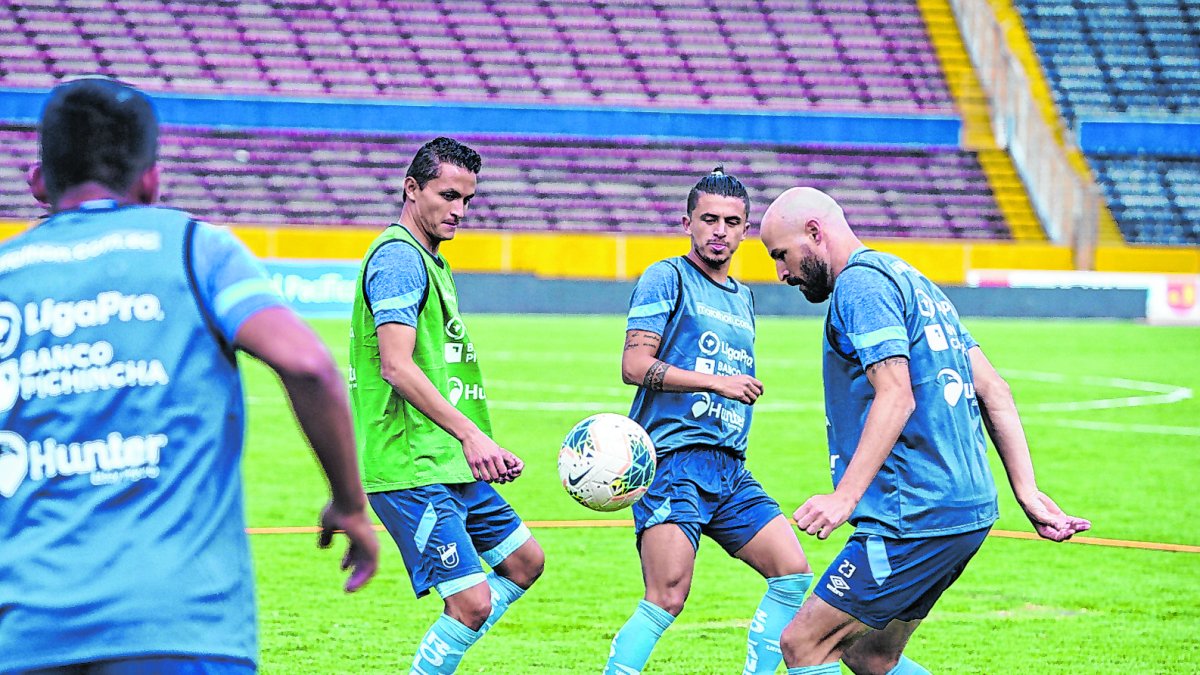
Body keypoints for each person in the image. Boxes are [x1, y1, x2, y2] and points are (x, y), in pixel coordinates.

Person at [0, 77, 379, 674]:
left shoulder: (7, 273)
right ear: (151, 180)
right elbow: (307, 365)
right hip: (180, 624)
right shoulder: (196, 250)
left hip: (27, 633)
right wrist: (350, 505)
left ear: (39, 181)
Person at [759, 187, 1091, 675]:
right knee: (871, 655)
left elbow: (896, 393)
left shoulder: (860, 286)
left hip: (914, 512)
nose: (781, 273)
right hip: (966, 509)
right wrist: (1027, 491)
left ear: (814, 232)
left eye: (780, 255)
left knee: (804, 644)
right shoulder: (912, 280)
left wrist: (845, 497)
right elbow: (994, 389)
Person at [605, 168, 814, 675]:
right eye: (709, 219)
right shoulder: (667, 277)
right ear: (688, 223)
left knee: (792, 574)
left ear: (746, 231)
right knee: (667, 596)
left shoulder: (743, 296)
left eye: (732, 222)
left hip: (728, 468)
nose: (720, 231)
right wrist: (715, 382)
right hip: (673, 462)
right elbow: (633, 365)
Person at [348, 137, 544, 674]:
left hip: (448, 459)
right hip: (410, 464)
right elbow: (396, 366)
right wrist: (470, 435)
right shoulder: (399, 259)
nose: (459, 210)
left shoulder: (432, 261)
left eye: (467, 200)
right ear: (412, 189)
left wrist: (481, 445)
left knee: (524, 562)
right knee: (471, 603)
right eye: (448, 195)